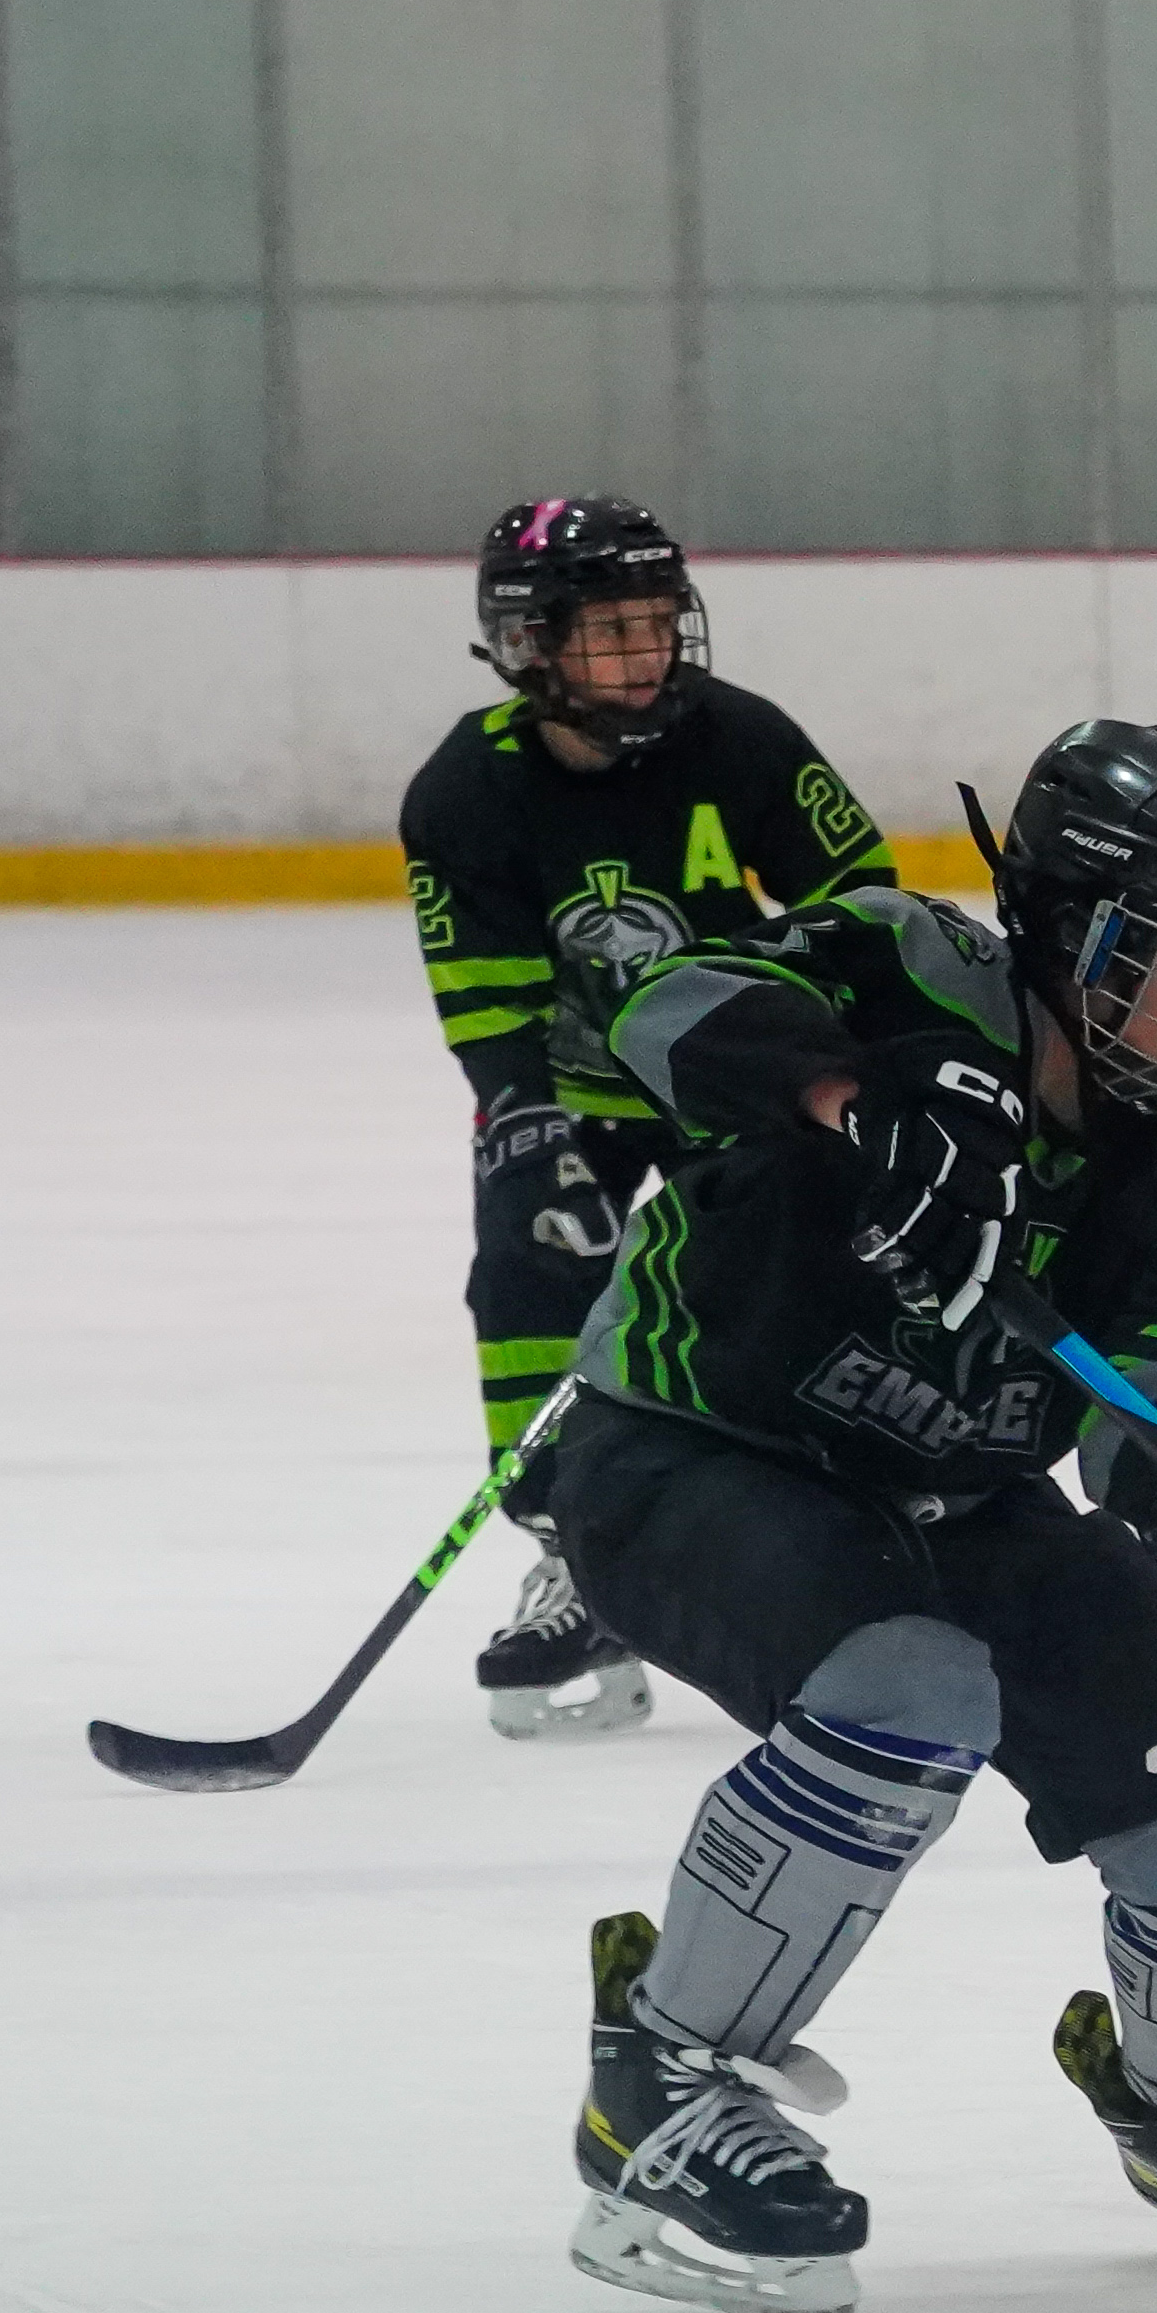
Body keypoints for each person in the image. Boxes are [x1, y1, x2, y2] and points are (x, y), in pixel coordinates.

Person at [549, 720, 1157, 2313]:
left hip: (963, 1496)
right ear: (1075, 926)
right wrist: (852, 1094)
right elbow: (654, 1000)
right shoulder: (901, 968)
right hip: (691, 1454)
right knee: (910, 1693)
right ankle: (661, 2084)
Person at [398, 493, 899, 1739]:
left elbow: (865, 908)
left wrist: (836, 1063)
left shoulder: (744, 740)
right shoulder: (467, 788)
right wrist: (525, 1127)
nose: (647, 651)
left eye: (657, 622)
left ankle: (834, 1544)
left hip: (738, 1080)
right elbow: (486, 990)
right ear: (530, 644)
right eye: (611, 630)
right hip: (576, 1088)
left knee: (793, 1288)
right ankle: (574, 1543)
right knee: (526, 1269)